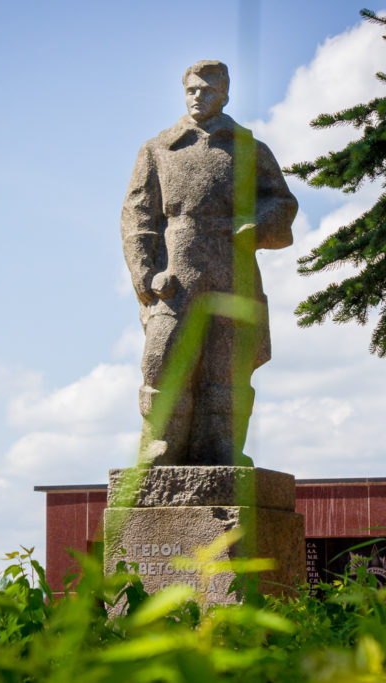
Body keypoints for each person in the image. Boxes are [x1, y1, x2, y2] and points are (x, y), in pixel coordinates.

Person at [121, 60, 297, 466]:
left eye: (207, 90)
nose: (197, 96)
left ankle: (221, 448)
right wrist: (145, 275)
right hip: (176, 272)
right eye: (191, 89)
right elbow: (138, 216)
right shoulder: (159, 148)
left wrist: (258, 226)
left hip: (231, 266)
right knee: (161, 360)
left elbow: (281, 202)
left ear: (224, 95)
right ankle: (160, 445)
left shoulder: (249, 148)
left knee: (228, 363)